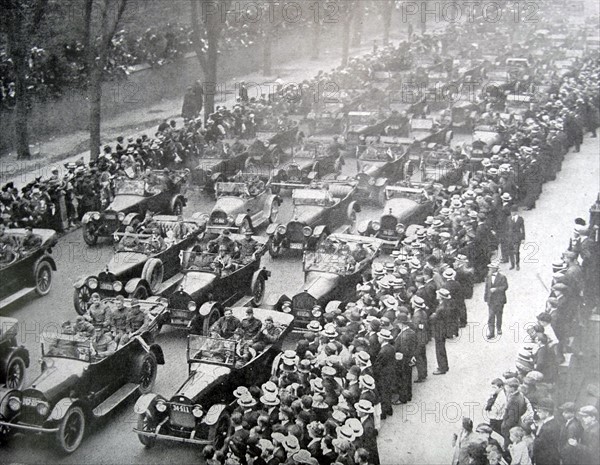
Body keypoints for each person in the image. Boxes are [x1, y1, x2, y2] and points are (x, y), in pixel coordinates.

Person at [484, 261, 509, 339]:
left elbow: (505, 286)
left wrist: (496, 289)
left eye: (491, 268)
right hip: (490, 300)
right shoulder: (488, 276)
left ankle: (499, 328)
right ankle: (491, 333)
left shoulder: (502, 277)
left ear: (495, 269)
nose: (489, 269)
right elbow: (486, 287)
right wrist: (485, 297)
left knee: (499, 315)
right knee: (491, 316)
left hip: (499, 300)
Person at [532, 400, 561, 465]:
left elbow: (537, 444)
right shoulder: (553, 423)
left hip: (546, 460)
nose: (537, 413)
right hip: (550, 458)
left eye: (539, 412)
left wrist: (536, 431)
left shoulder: (548, 427)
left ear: (547, 413)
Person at [505, 206, 525, 270]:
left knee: (516, 251)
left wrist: (523, 238)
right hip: (510, 237)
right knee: (510, 251)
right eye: (511, 212)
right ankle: (512, 264)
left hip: (517, 237)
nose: (512, 213)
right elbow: (506, 228)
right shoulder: (508, 218)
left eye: (513, 212)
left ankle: (517, 264)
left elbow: (522, 229)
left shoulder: (520, 219)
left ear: (516, 212)